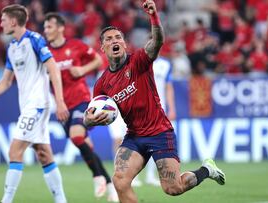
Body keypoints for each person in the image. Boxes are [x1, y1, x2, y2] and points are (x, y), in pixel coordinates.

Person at [84, 1, 226, 202]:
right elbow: (89, 118)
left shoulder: (139, 60)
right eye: (108, 39)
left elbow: (157, 41)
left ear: (124, 43)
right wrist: (90, 120)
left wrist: (154, 17)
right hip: (134, 136)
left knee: (173, 188)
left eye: (118, 37)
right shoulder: (102, 84)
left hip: (159, 132)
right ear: (103, 47)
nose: (114, 40)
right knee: (120, 181)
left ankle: (206, 170)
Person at [0, 4, 69, 203]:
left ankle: (6, 200)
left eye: (3, 20)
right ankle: (61, 200)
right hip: (27, 106)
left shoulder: (34, 40)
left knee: (14, 150)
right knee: (43, 153)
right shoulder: (12, 47)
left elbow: (53, 67)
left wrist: (59, 101)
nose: (0, 24)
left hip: (38, 104)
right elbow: (7, 81)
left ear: (13, 21)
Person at [43, 12, 119, 202]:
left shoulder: (75, 45)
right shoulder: (44, 51)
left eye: (49, 27)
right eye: (45, 27)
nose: (46, 31)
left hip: (82, 100)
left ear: (60, 28)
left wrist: (82, 70)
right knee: (84, 145)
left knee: (76, 136)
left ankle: (96, 177)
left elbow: (98, 60)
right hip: (62, 105)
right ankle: (110, 185)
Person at [110, 56, 177, 187]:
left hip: (157, 109)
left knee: (152, 142)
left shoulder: (165, 65)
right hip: (133, 109)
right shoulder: (137, 62)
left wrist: (172, 107)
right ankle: (126, 175)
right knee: (124, 141)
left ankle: (150, 176)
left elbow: (169, 86)